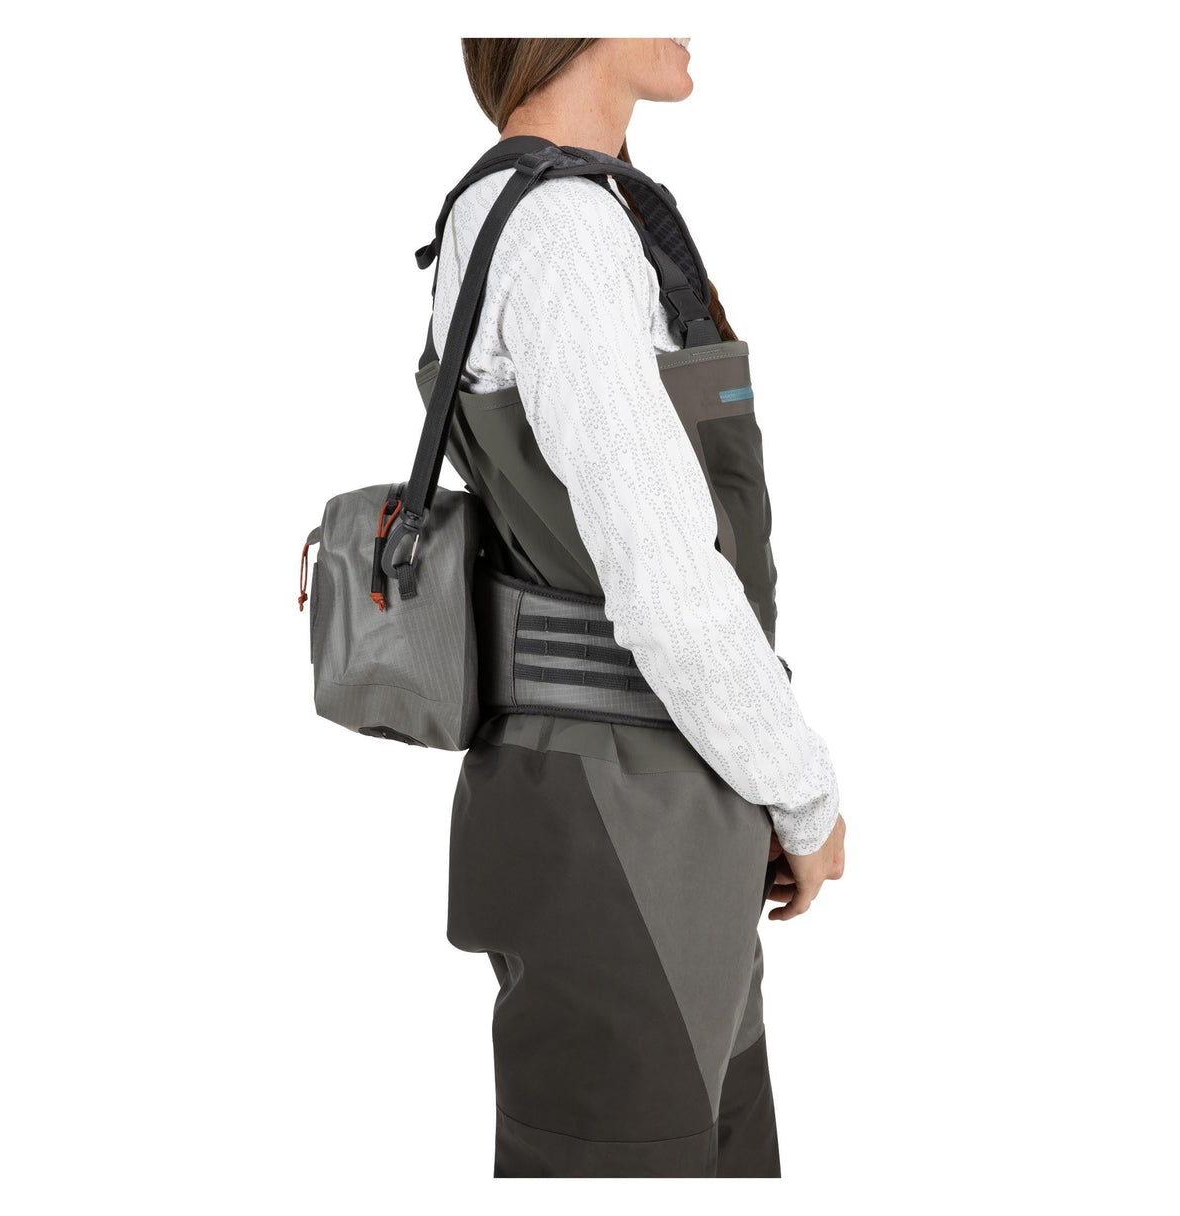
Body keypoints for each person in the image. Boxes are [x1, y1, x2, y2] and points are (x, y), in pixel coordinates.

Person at [423, 37, 846, 1178]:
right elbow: (668, 588)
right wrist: (804, 796)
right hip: (627, 830)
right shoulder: (562, 230)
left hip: (648, 810)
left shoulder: (539, 211)